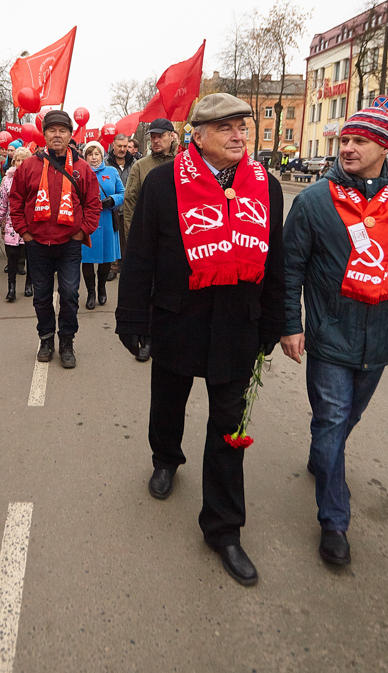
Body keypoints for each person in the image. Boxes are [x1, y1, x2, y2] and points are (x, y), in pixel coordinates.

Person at [116, 93, 285, 587]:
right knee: (168, 402)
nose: (239, 136)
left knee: (230, 429)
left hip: (238, 326)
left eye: (243, 127)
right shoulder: (164, 183)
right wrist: (132, 319)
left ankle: (224, 528)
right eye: (227, 127)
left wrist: (272, 321)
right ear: (200, 135)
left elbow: (276, 261)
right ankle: (165, 459)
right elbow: (141, 254)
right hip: (177, 318)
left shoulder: (266, 188)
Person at [280, 102, 388, 568]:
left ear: (384, 147)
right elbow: (289, 267)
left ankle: (322, 454)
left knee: (346, 418)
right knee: (333, 416)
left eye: (359, 141)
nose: (348, 148)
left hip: (385, 336)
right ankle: (334, 521)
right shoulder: (315, 200)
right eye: (344, 141)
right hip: (331, 333)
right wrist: (290, 324)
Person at [8, 109, 101, 368]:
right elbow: (15, 200)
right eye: (52, 130)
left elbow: (93, 204)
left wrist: (82, 232)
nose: (57, 135)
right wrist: (24, 232)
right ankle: (46, 338)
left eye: (62, 130)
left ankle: (67, 341)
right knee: (42, 295)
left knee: (70, 294)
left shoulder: (82, 168)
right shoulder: (28, 166)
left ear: (71, 135)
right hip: (37, 243)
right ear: (45, 134)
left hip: (69, 244)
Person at [119, 117, 179, 362]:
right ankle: (147, 338)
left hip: (176, 241)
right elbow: (131, 201)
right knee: (147, 289)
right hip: (148, 239)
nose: (155, 140)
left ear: (171, 137)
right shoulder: (141, 166)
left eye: (160, 136)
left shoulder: (183, 164)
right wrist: (136, 237)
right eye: (152, 136)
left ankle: (170, 335)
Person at [79, 140, 124, 310]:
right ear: (85, 156)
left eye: (97, 153)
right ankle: (91, 292)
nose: (93, 157)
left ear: (102, 155)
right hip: (87, 222)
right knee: (87, 259)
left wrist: (113, 200)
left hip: (106, 220)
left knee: (106, 259)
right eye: (90, 154)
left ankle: (101, 288)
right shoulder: (80, 172)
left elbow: (123, 193)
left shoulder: (111, 172)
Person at [0, 146, 34, 302]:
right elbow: (1, 205)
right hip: (11, 225)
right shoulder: (7, 180)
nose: (20, 163)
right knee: (12, 259)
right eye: (17, 160)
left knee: (30, 258)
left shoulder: (35, 178)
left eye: (24, 160)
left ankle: (29, 284)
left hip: (31, 226)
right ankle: (11, 287)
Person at [106, 131, 138, 281]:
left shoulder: (134, 163)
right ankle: (113, 267)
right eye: (119, 146)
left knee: (128, 238)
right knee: (113, 238)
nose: (122, 149)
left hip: (129, 207)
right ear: (113, 146)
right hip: (111, 208)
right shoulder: (105, 163)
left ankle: (126, 266)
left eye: (125, 146)